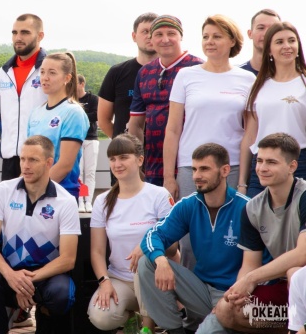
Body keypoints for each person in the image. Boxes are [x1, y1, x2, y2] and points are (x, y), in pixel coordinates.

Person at [162, 15, 255, 270]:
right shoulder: (185, 75)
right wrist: (169, 177)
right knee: (190, 240)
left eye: (216, 36)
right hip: (190, 168)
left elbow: (249, 133)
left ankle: (229, 291)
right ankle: (191, 293)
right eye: (205, 37)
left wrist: (243, 180)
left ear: (232, 41)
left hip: (231, 168)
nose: (209, 42)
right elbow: (173, 129)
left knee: (232, 237)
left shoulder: (247, 79)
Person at [138, 143, 250, 334]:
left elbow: (264, 262)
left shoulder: (247, 208)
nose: (196, 176)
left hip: (234, 297)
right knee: (147, 263)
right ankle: (175, 330)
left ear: (225, 171)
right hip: (201, 290)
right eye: (194, 169)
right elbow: (153, 235)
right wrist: (161, 260)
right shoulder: (189, 205)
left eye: (204, 169)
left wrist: (237, 296)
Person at [0, 135, 81, 334]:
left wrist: (26, 282)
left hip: (46, 274)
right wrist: (11, 276)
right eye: (23, 159)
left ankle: (42, 317)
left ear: (49, 163)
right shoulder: (3, 190)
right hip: (9, 270)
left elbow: (68, 259)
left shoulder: (66, 201)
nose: (25, 165)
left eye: (33, 160)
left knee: (62, 294)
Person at [217, 133, 306, 333]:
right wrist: (240, 290)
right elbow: (250, 264)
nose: (262, 168)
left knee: (295, 273)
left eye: (271, 162)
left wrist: (251, 279)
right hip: (285, 290)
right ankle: (288, 328)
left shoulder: (304, 196)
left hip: (300, 280)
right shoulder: (252, 208)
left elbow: (302, 254)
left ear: (292, 166)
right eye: (259, 161)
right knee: (227, 310)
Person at [88, 134, 174, 334]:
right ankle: (132, 320)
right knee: (101, 316)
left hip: (156, 279)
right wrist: (104, 281)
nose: (117, 164)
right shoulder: (102, 201)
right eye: (112, 159)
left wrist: (146, 246)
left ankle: (148, 327)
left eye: (123, 157)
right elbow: (97, 252)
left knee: (143, 265)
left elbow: (173, 247)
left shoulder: (159, 195)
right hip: (120, 279)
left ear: (140, 160)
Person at [128, 15, 203, 186]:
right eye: (159, 34)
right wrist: (137, 164)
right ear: (151, 39)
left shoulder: (198, 68)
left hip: (192, 165)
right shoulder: (144, 72)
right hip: (153, 167)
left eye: (171, 33)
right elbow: (136, 124)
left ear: (181, 36)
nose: (165, 39)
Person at [239, 22, 306, 198]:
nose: (287, 46)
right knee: (254, 214)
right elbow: (250, 136)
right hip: (262, 165)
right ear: (269, 50)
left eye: (291, 40)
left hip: (299, 163)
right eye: (279, 42)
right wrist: (242, 182)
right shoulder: (257, 86)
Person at [27, 52, 89, 200]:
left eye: (52, 73)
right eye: (42, 72)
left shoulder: (73, 112)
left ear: (67, 78)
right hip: (34, 192)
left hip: (60, 194)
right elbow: (27, 158)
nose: (45, 77)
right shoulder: (36, 112)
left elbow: (65, 165)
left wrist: (34, 190)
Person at [0, 13, 48, 181]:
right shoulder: (1, 74)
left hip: (42, 157)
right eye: (14, 32)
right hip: (10, 159)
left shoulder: (50, 69)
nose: (18, 37)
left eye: (25, 32)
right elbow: (1, 117)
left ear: (40, 36)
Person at [98, 12, 158, 141]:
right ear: (134, 36)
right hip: (127, 151)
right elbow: (103, 120)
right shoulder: (117, 72)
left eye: (155, 32)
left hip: (162, 150)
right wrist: (122, 143)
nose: (150, 36)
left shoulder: (173, 73)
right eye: (145, 31)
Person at [77, 74, 99, 212]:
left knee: (90, 172)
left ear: (82, 84)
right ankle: (80, 201)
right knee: (78, 173)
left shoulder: (93, 99)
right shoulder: (70, 100)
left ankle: (88, 201)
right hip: (77, 139)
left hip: (91, 139)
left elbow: (96, 115)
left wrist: (79, 116)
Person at [238, 9, 281, 76]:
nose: (266, 33)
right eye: (261, 28)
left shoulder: (293, 75)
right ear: (250, 33)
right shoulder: (238, 75)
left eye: (272, 28)